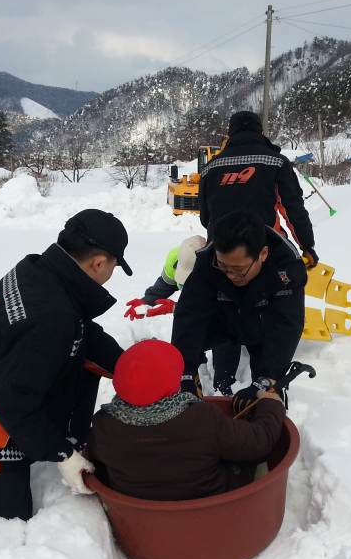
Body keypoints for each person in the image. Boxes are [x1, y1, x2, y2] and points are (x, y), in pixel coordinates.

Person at [0, 209, 131, 520]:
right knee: (11, 519)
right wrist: (63, 457)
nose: (110, 275)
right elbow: (12, 404)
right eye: (115, 267)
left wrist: (130, 368)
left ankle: (46, 440)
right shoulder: (48, 315)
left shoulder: (42, 273)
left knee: (70, 360)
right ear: (99, 262)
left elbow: (81, 332)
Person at [86, 339, 285, 501]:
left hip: (140, 511)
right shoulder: (201, 418)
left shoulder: (104, 425)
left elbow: (99, 464)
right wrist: (271, 405)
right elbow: (259, 442)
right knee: (252, 464)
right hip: (209, 503)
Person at [171, 209, 306, 415]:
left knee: (268, 388)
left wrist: (266, 380)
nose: (230, 274)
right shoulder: (208, 262)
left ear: (263, 254)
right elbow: (189, 315)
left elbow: (286, 326)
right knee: (181, 358)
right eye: (223, 266)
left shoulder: (287, 270)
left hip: (264, 327)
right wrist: (185, 371)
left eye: (238, 269)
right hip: (222, 321)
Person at [198, 110, 319, 268]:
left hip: (221, 253)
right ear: (261, 133)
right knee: (291, 282)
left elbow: (205, 218)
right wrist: (306, 245)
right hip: (266, 249)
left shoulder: (210, 168)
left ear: (229, 136)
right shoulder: (277, 163)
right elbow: (292, 209)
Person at [122, 235, 240, 396]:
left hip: (225, 314)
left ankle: (224, 385)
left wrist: (177, 307)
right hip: (195, 306)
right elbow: (163, 286)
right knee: (187, 335)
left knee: (226, 338)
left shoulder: (223, 269)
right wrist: (146, 301)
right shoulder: (175, 259)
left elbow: (225, 312)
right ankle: (190, 380)